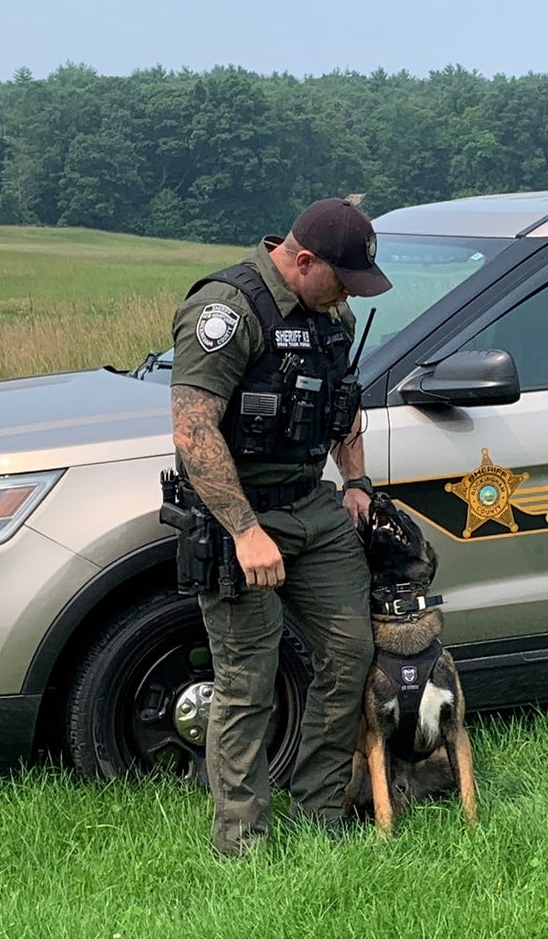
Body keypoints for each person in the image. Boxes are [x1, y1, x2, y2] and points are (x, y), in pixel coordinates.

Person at [169, 198, 391, 854]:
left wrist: (353, 482)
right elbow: (193, 429)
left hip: (312, 507)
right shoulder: (226, 311)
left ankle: (321, 811)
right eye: (341, 280)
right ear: (301, 261)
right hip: (238, 514)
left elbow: (343, 404)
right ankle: (243, 843)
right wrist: (243, 532)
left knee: (350, 655)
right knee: (247, 682)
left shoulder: (332, 314)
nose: (347, 296)